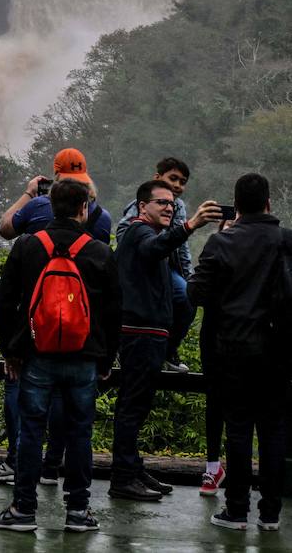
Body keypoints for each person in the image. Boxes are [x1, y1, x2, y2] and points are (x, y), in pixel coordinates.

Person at [0, 179, 121, 533]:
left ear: (50, 207)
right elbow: (112, 312)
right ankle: (78, 511)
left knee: (30, 431)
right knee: (80, 433)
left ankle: (23, 510)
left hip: (36, 354)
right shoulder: (100, 252)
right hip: (84, 356)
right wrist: (106, 359)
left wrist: (10, 351)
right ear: (84, 210)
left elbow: (4, 305)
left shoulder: (28, 246)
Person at [187, 173, 287, 532]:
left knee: (239, 429)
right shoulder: (285, 241)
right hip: (278, 350)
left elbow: (195, 293)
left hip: (233, 349)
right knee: (274, 431)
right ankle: (272, 514)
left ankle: (237, 511)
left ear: (236, 205)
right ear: (269, 203)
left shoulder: (221, 243)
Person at [109, 179, 220, 502]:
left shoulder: (150, 234)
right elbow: (153, 249)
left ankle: (132, 467)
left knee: (138, 405)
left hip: (150, 333)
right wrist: (191, 225)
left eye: (172, 204)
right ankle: (123, 478)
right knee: (132, 406)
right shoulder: (139, 232)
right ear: (143, 206)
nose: (168, 208)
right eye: (161, 202)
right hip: (140, 333)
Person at [119, 159, 194, 373]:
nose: (178, 184)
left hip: (165, 266)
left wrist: (188, 277)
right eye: (173, 178)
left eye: (182, 181)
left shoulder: (178, 206)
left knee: (186, 296)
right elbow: (127, 234)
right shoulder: (141, 205)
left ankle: (169, 349)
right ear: (157, 177)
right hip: (144, 265)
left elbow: (182, 247)